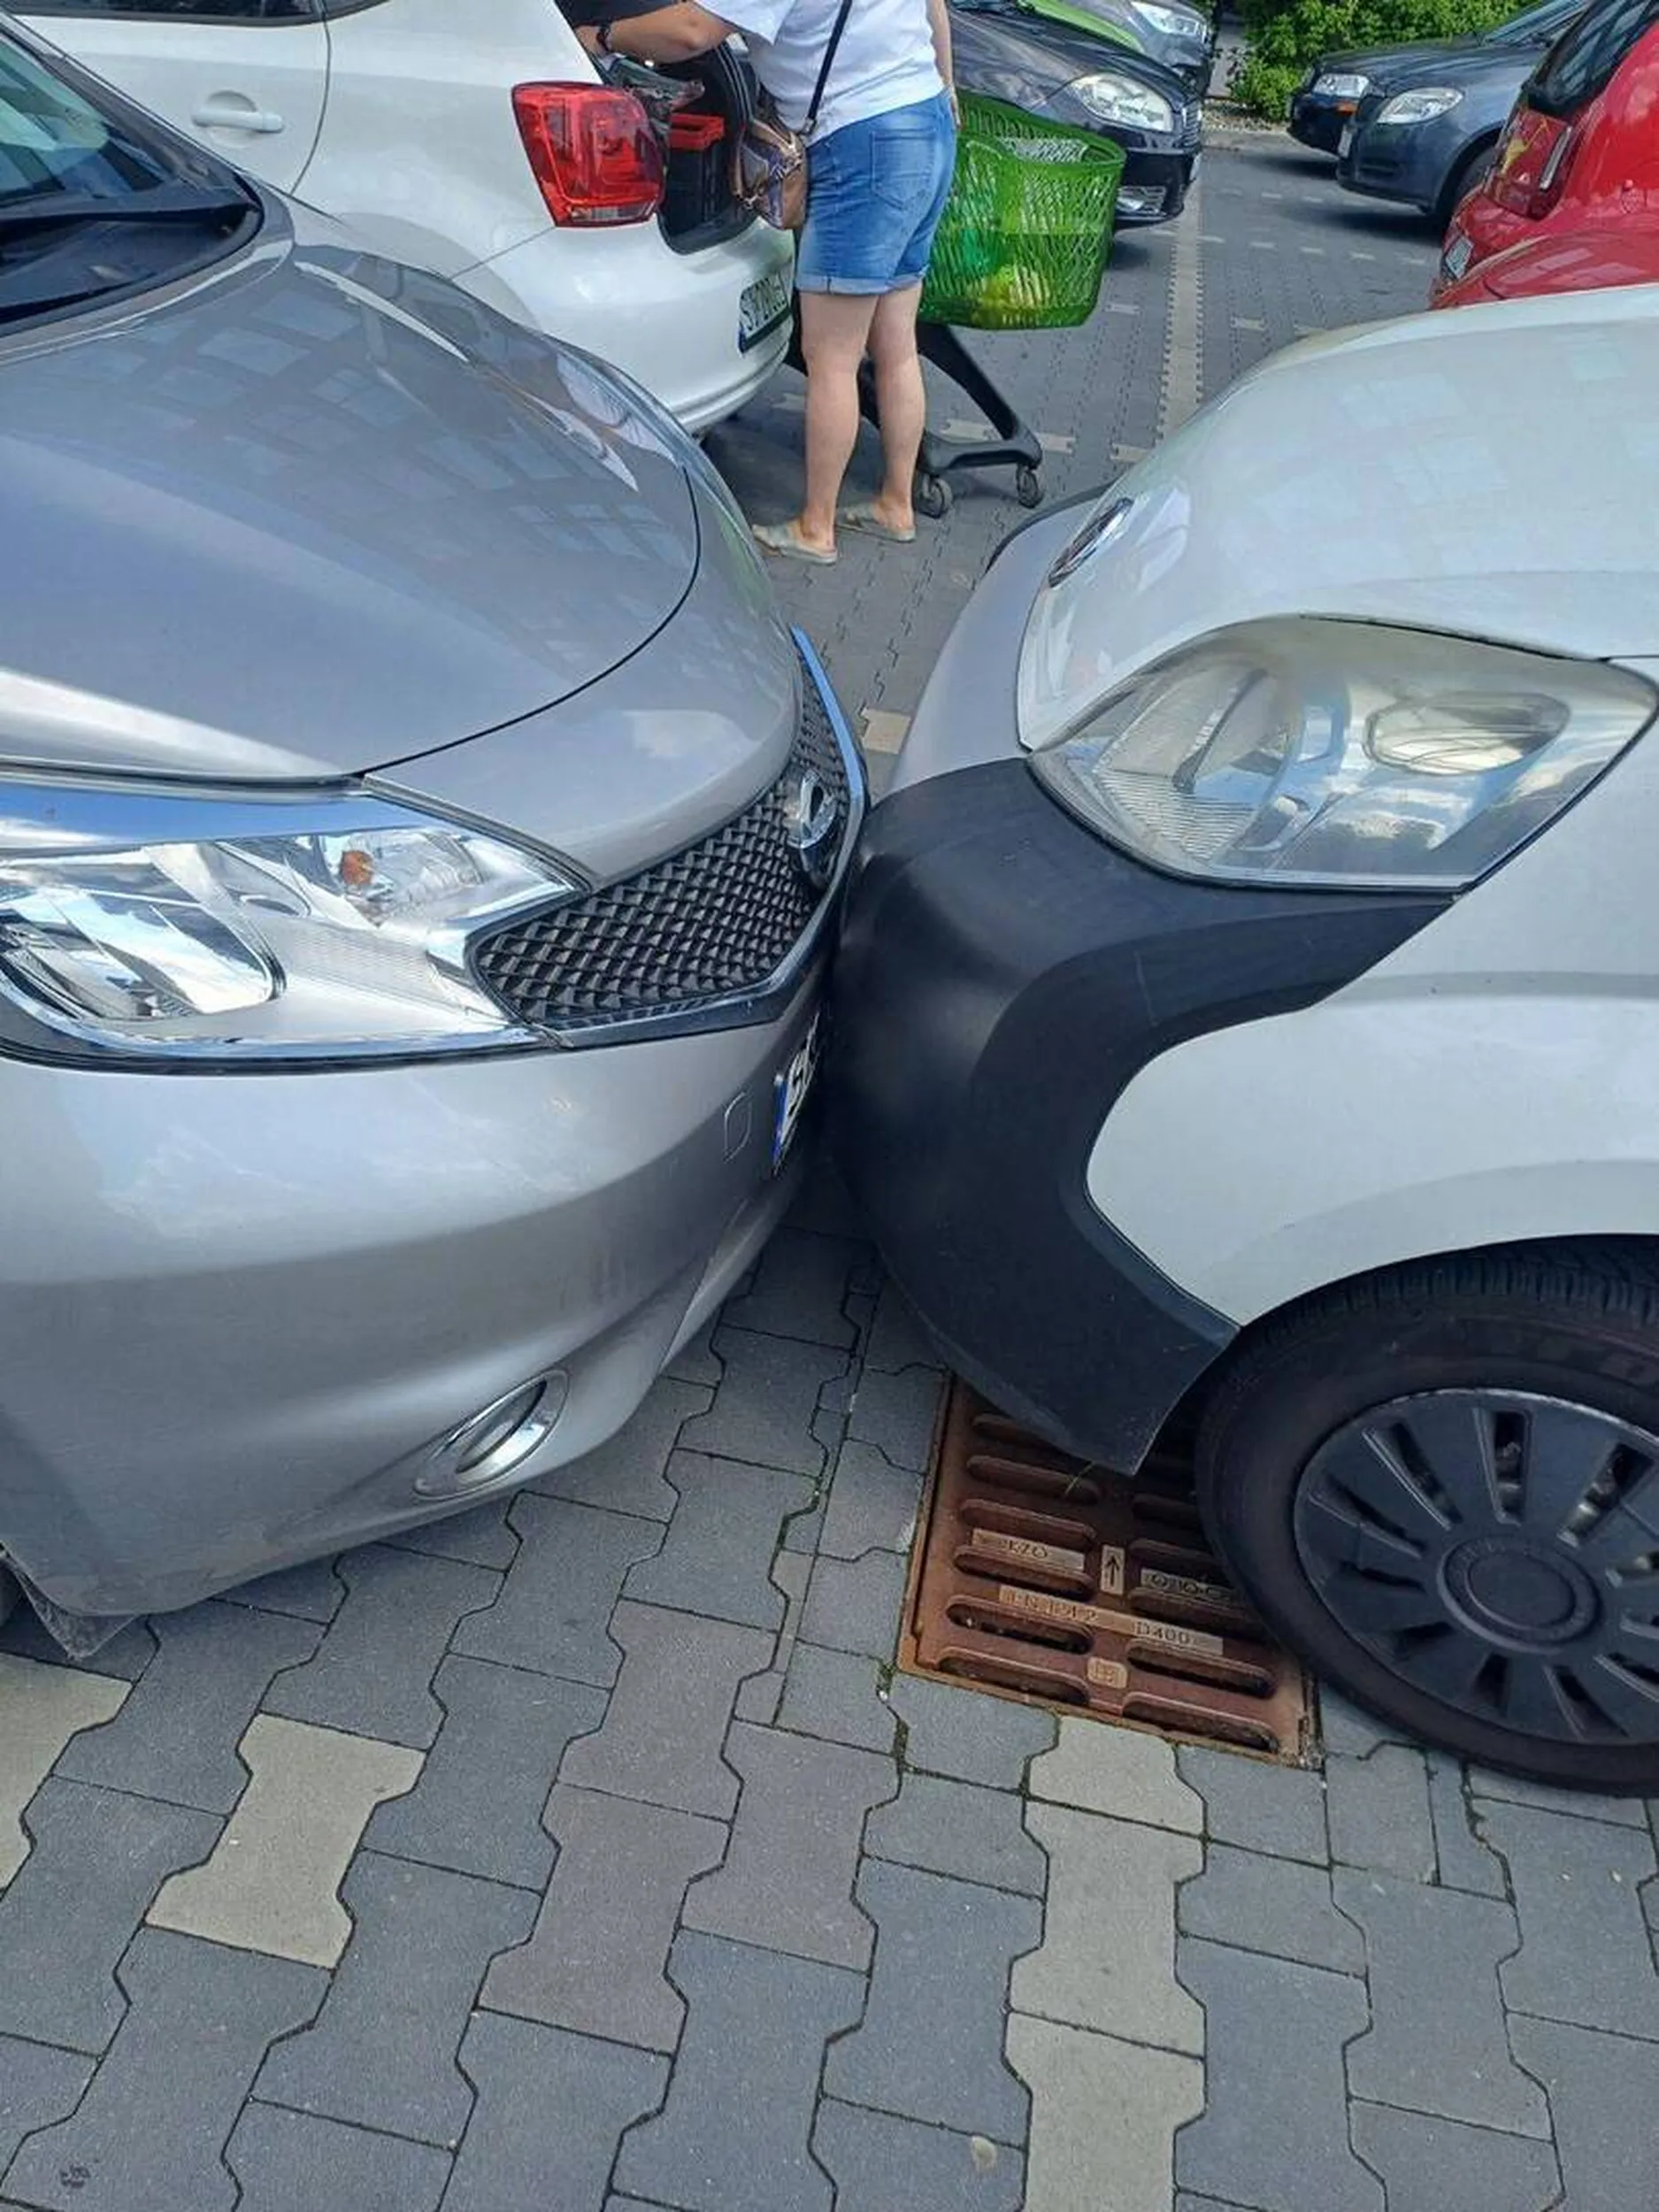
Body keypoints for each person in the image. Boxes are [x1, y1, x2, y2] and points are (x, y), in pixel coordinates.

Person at [568, 0, 957, 565]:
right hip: (924, 119)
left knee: (832, 358)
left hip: (864, 141)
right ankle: (895, 504)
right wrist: (946, 85)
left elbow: (692, 30)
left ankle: (815, 527)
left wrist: (600, 37)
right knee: (897, 344)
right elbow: (935, 8)